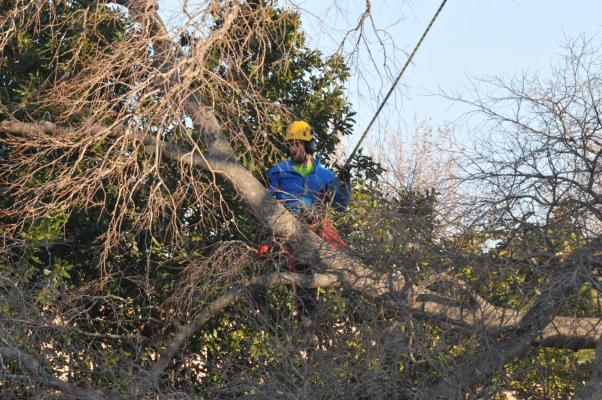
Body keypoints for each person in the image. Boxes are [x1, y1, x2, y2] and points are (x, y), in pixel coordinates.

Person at [266, 120, 352, 330]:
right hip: (289, 226)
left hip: (317, 228)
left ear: (308, 146)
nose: (293, 149)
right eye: (290, 144)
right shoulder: (278, 172)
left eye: (298, 144)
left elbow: (340, 206)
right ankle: (304, 317)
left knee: (320, 263)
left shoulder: (325, 176)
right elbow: (266, 202)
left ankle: (309, 317)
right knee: (302, 266)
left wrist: (344, 186)